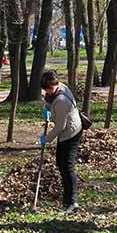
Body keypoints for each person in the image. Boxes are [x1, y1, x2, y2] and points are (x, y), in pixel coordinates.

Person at [41, 70, 83, 213]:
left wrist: (47, 138)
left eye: (49, 89)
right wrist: (47, 109)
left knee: (67, 166)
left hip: (71, 133)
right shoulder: (55, 90)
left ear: (55, 84)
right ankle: (66, 200)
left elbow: (60, 126)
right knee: (60, 163)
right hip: (64, 132)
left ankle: (72, 202)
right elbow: (48, 101)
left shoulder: (62, 100)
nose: (48, 92)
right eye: (46, 90)